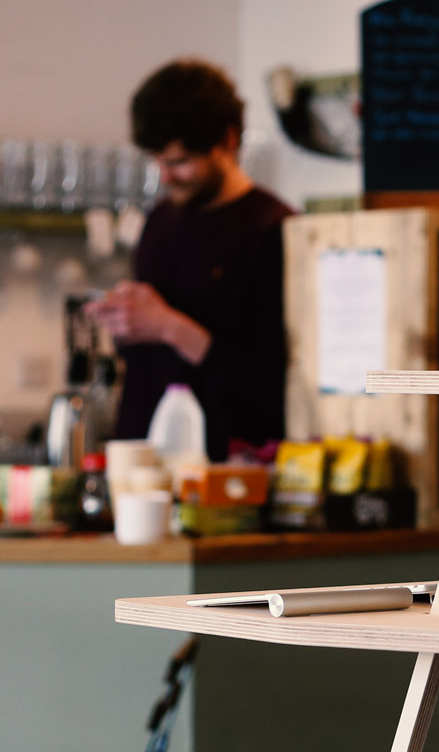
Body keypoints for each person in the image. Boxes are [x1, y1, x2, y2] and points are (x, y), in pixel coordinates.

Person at [89, 59, 292, 459]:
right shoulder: (160, 220)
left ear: (228, 142)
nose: (164, 176)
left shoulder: (273, 230)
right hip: (141, 453)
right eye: (157, 161)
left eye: (179, 162)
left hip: (227, 467)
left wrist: (170, 327)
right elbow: (148, 354)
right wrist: (127, 321)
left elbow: (274, 381)